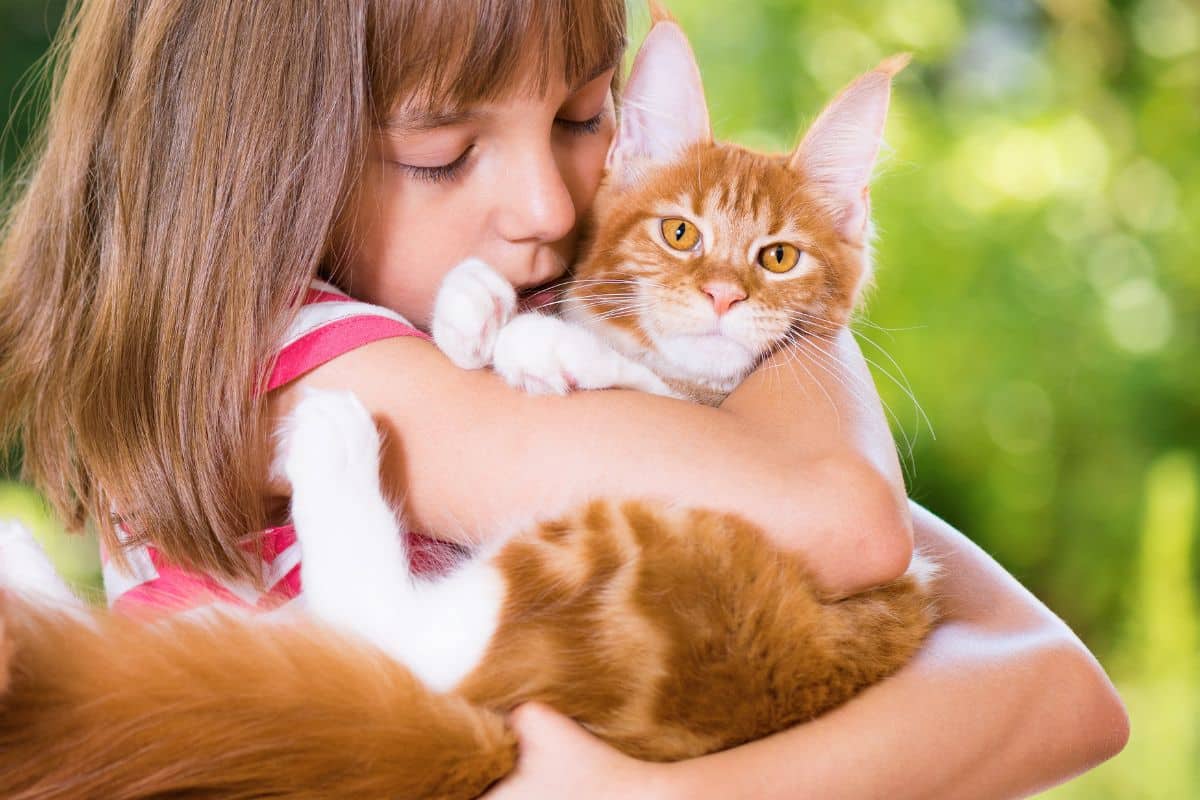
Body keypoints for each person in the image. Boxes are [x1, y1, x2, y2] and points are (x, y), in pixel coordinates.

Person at [0, 0, 1127, 797]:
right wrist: (805, 271)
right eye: (444, 151)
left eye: (587, 120)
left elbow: (1064, 691)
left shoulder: (587, 382)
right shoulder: (298, 355)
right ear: (244, 158)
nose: (547, 204)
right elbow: (851, 519)